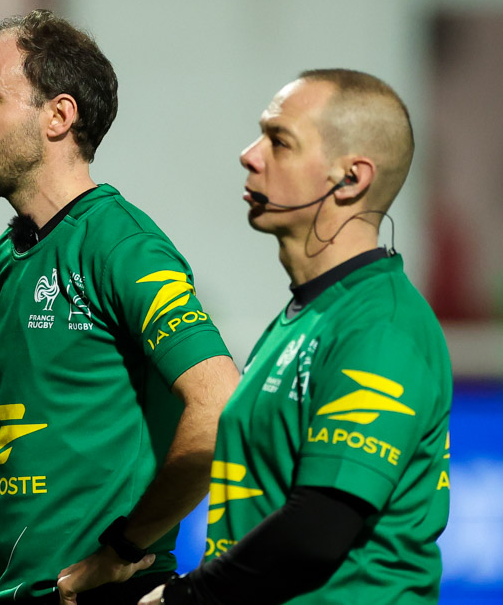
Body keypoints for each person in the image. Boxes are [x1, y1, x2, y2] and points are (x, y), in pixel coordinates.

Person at [0, 9, 240, 605]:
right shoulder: (2, 260)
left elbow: (219, 407)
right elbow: (47, 431)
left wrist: (124, 550)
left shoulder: (122, 246)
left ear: (58, 115)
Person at [141, 69, 452, 605]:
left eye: (278, 141)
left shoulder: (381, 324)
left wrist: (183, 599)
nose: (249, 154)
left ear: (350, 179)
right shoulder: (306, 316)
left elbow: (318, 531)